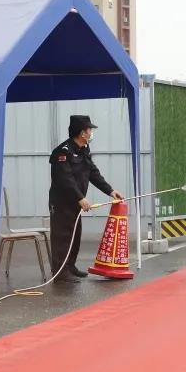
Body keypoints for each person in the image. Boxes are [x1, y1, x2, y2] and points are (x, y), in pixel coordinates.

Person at [48, 115, 123, 283]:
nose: (91, 132)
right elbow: (65, 179)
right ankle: (60, 272)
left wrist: (110, 191)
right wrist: (80, 197)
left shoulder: (83, 150)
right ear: (82, 133)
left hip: (76, 202)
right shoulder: (63, 152)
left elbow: (93, 173)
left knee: (75, 234)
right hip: (61, 202)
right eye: (89, 130)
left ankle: (70, 266)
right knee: (62, 236)